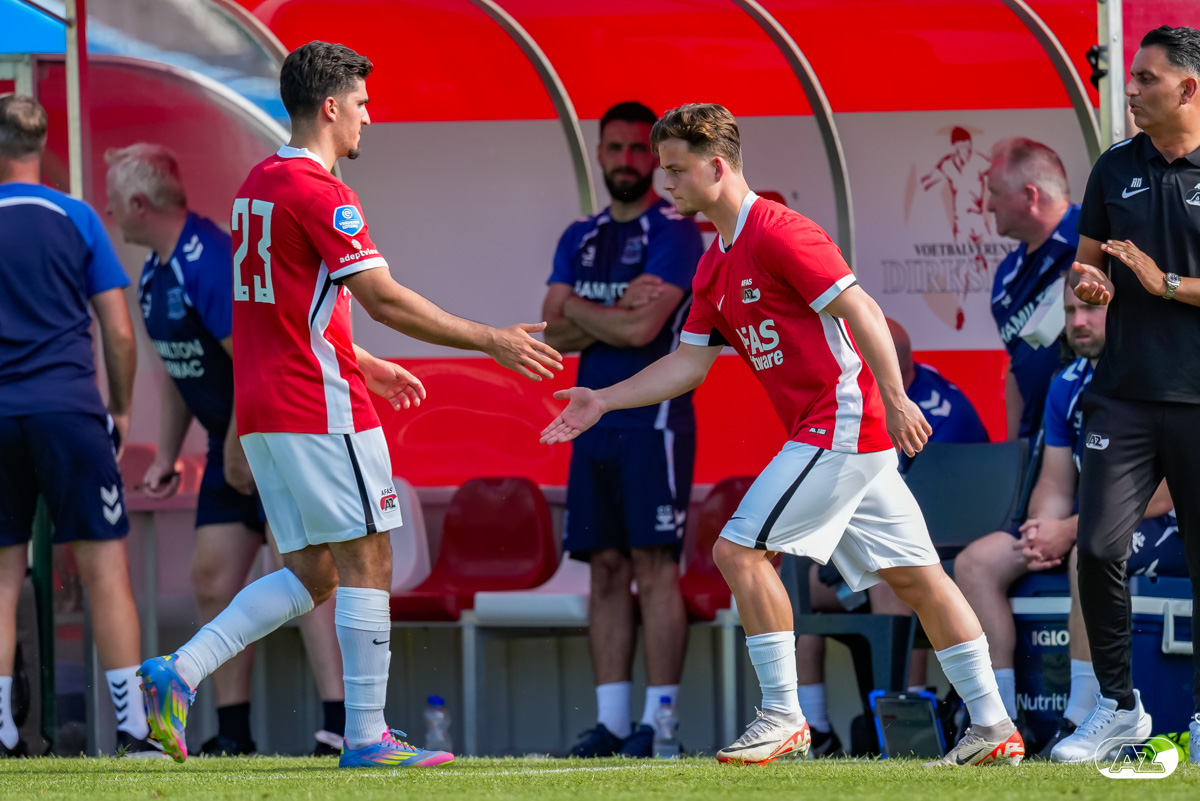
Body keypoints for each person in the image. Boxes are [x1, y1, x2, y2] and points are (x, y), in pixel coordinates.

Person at [542, 103, 1023, 767]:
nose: (666, 183)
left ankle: (783, 717)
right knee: (919, 581)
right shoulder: (712, 265)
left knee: (738, 551)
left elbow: (862, 308)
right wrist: (602, 399)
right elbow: (687, 366)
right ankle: (995, 726)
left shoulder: (778, 231)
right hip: (837, 433)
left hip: (840, 421)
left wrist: (895, 395)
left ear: (717, 166)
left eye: (677, 170)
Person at [136, 41, 562, 768]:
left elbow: (278, 312)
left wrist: (361, 359)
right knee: (370, 553)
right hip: (318, 405)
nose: (369, 116)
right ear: (331, 107)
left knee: (315, 572)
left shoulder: (256, 185)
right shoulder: (324, 193)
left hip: (267, 410)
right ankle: (366, 735)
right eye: (362, 103)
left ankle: (181, 670)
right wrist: (489, 338)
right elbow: (383, 298)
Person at [105, 143, 347, 756]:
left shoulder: (208, 259)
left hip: (271, 434)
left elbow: (252, 360)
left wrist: (241, 446)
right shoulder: (155, 273)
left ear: (140, 203)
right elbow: (180, 370)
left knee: (307, 575)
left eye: (114, 201)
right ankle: (233, 733)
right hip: (231, 441)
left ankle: (339, 724)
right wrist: (167, 455)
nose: (110, 211)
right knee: (212, 577)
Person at [954, 278, 1183, 758]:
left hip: (1160, 522)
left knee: (1089, 552)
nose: (1079, 321)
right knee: (976, 563)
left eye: (1091, 309)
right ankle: (999, 719)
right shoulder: (1067, 383)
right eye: (1071, 311)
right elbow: (1056, 483)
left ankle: (1082, 714)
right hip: (1086, 518)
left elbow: (1162, 493)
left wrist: (1067, 531)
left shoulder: (1155, 374)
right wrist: (1043, 531)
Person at [1056, 25, 1200, 764]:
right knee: (1098, 545)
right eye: (1133, 77)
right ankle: (1117, 707)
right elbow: (1084, 266)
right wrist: (1090, 285)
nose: (1132, 91)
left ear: (1188, 88)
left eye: (1147, 79)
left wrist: (1163, 282)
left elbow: (1159, 279)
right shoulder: (1114, 166)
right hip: (1123, 395)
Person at [541, 101, 704, 759]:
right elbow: (551, 330)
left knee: (654, 566)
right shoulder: (580, 235)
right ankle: (610, 725)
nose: (628, 160)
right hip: (589, 419)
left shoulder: (676, 231)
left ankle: (659, 728)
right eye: (616, 148)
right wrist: (601, 309)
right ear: (600, 154)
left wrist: (577, 307)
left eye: (640, 149)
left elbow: (643, 330)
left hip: (654, 422)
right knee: (604, 568)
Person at [0, 95, 158, 756]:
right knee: (104, 569)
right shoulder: (78, 217)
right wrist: (119, 409)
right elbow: (119, 332)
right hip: (70, 411)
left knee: (2, 574)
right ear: (41, 148)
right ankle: (134, 731)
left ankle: (2, 732)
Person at [794, 318, 988, 756]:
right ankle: (815, 728)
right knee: (798, 590)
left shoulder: (940, 409)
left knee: (894, 579)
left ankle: (910, 719)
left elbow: (926, 504)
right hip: (866, 541)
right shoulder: (851, 394)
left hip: (943, 543)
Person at [986, 138, 1076, 440]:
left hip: (1094, 430)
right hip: (1037, 439)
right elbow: (1018, 362)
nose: (988, 205)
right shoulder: (1006, 277)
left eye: (995, 193)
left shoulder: (1093, 234)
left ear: (1029, 196)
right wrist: (1015, 448)